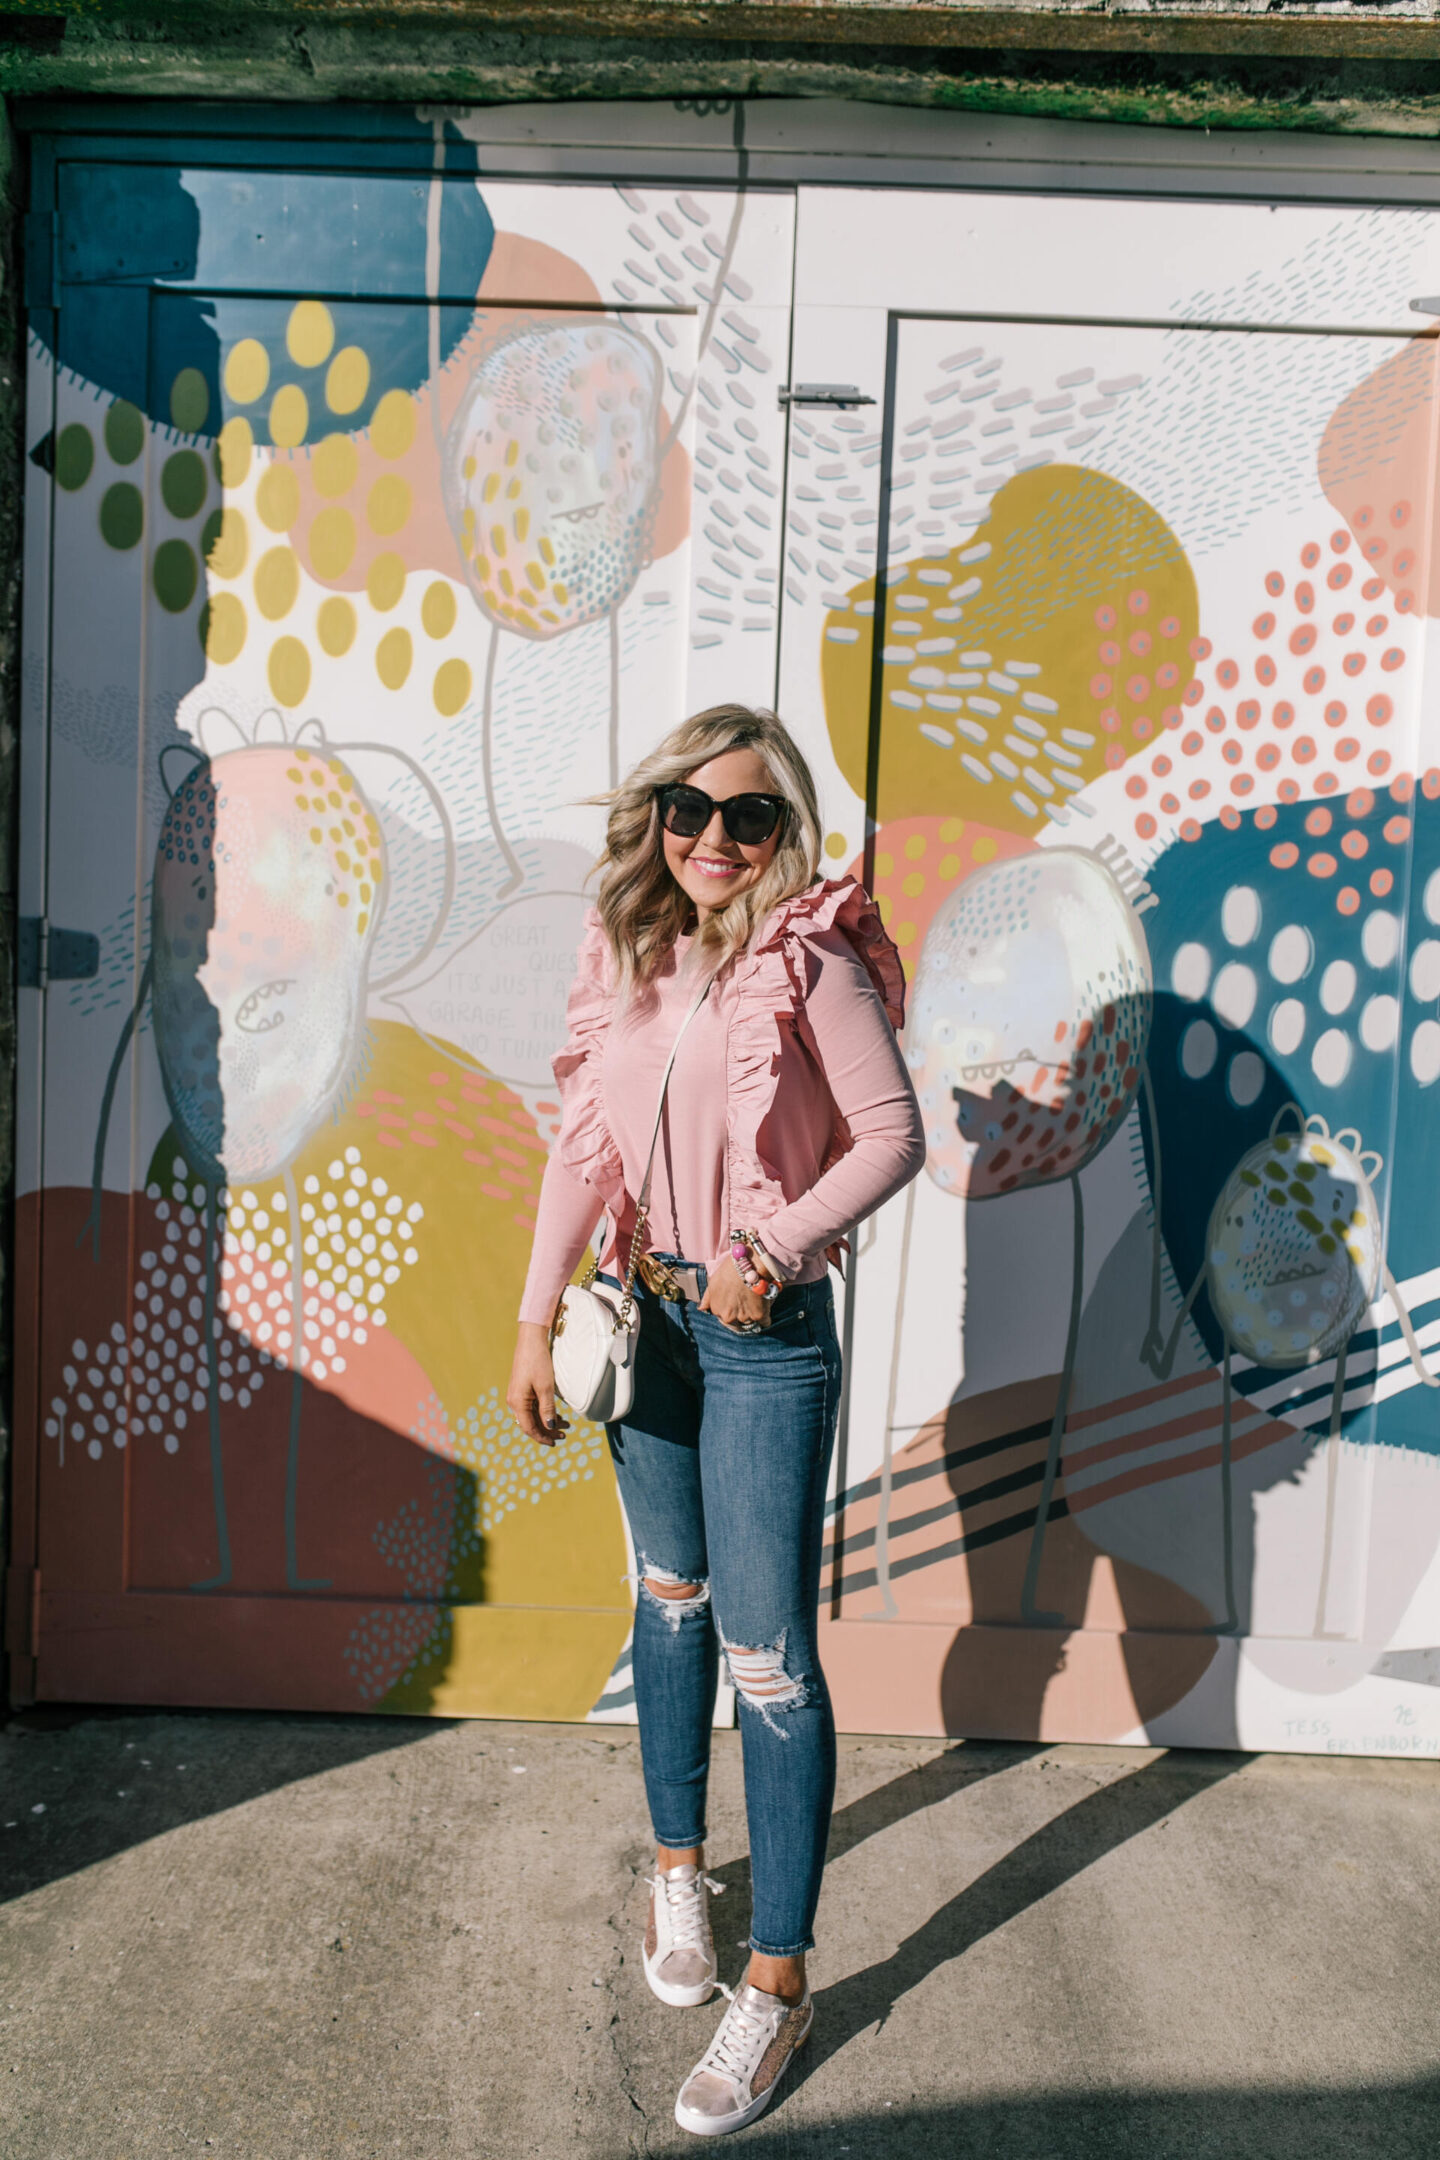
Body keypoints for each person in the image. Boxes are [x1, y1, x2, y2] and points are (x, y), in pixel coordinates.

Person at [507, 703, 924, 2137]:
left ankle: (781, 1982)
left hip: (759, 1340)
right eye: (689, 808)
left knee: (767, 1656)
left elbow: (891, 1135)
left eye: (748, 817)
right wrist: (530, 1315)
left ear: (783, 829)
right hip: (645, 1327)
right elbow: (586, 1142)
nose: (713, 839)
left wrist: (773, 1251)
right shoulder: (628, 946)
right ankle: (678, 1869)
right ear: (656, 814)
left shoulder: (810, 956)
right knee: (670, 1601)